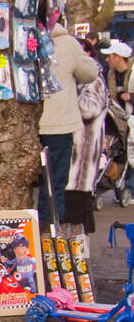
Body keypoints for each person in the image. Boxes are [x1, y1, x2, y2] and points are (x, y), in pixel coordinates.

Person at [37, 20, 99, 226]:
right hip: (57, 125)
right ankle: (49, 236)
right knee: (53, 188)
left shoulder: (21, 38)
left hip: (26, 127)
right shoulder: (66, 42)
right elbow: (90, 72)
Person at [64, 38, 109, 232]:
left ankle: (80, 253)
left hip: (83, 151)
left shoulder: (93, 80)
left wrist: (69, 92)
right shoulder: (79, 79)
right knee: (70, 205)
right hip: (74, 150)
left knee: (78, 206)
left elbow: (89, 109)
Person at [101, 38, 133, 206]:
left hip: (130, 118)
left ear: (119, 57)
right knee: (120, 151)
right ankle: (121, 184)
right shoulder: (111, 74)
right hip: (119, 120)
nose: (107, 59)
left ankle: (130, 187)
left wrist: (131, 97)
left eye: (110, 56)